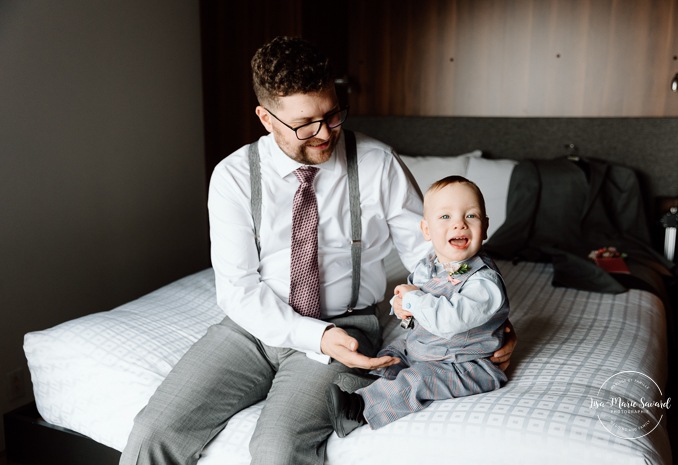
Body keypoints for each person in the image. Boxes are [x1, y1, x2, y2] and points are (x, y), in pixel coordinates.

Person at [119, 36, 516, 465]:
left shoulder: (378, 162)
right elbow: (236, 288)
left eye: (332, 115)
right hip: (251, 327)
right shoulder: (233, 177)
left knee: (275, 449)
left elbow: (433, 255)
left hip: (347, 327)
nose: (325, 133)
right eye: (305, 123)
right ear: (266, 118)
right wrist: (314, 336)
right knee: (152, 432)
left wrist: (481, 324)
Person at [327, 176, 510, 437]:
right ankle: (373, 380)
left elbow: (449, 321)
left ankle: (359, 410)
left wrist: (414, 299)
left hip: (467, 363)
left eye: (471, 216)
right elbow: (413, 293)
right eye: (445, 217)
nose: (459, 223)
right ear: (426, 230)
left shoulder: (484, 281)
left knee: (422, 378)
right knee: (391, 351)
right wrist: (400, 304)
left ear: (486, 226)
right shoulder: (429, 264)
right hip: (426, 347)